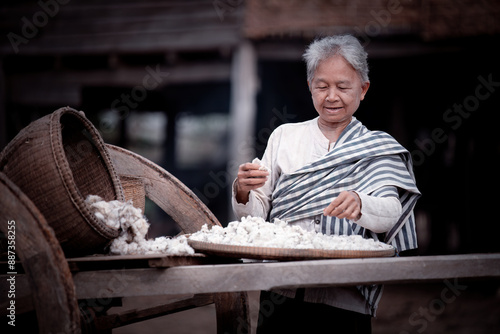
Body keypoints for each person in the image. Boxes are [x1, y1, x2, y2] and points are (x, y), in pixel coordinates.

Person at [231, 35, 421, 333]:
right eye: (322, 86)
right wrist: (243, 191)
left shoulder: (376, 148)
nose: (331, 96)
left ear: (363, 89)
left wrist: (361, 203)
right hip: (282, 292)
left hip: (345, 297)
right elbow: (257, 217)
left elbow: (391, 212)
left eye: (343, 87)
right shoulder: (284, 137)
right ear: (310, 88)